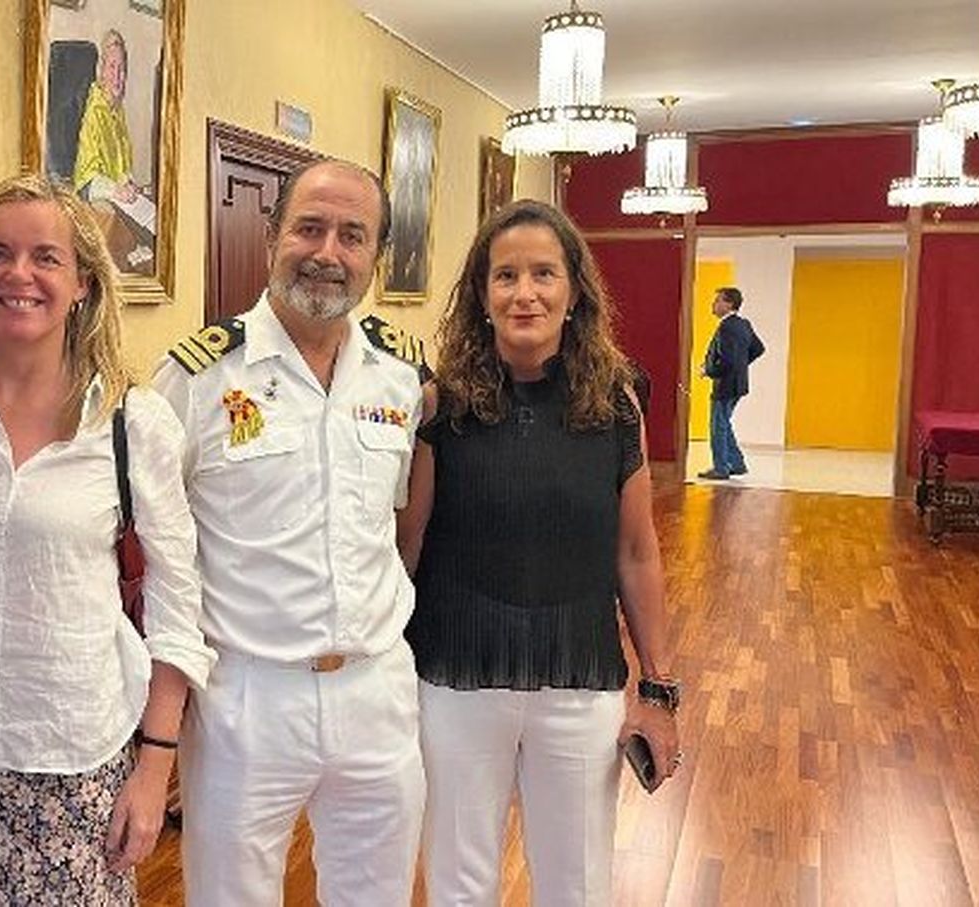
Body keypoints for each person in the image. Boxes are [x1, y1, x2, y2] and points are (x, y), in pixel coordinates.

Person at [0, 173, 214, 905]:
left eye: (46, 257)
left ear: (83, 282)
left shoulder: (132, 423)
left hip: (74, 767)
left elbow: (177, 603)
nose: (19, 274)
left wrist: (155, 767)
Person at [152, 158, 430, 906]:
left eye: (352, 235)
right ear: (272, 235)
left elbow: (401, 522)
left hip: (376, 690)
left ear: (376, 255)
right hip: (247, 697)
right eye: (309, 228)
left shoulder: (402, 376)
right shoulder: (198, 377)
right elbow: (155, 541)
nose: (327, 253)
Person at [396, 199, 681, 906]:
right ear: (482, 294)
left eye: (544, 274)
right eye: (506, 275)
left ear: (575, 290)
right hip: (456, 680)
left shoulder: (615, 407)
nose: (525, 293)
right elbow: (408, 546)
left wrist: (658, 689)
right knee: (460, 883)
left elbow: (637, 552)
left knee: (577, 885)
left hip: (579, 683)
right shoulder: (441, 406)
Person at [699, 285, 765, 480]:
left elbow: (727, 361)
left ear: (729, 304)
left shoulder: (726, 327)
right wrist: (741, 367)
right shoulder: (743, 324)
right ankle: (737, 464)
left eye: (717, 300)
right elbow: (758, 349)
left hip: (725, 385)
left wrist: (708, 370)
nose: (713, 304)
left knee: (718, 426)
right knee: (724, 423)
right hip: (738, 384)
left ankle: (721, 468)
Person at [72, 30, 139, 206]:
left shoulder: (117, 110)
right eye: (112, 66)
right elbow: (84, 182)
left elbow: (123, 165)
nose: (117, 76)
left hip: (117, 201)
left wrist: (129, 182)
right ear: (100, 70)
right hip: (93, 204)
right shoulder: (93, 111)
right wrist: (115, 190)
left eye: (122, 69)